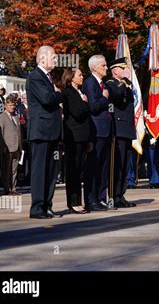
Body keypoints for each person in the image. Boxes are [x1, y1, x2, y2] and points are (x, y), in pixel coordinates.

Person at [26, 45, 63, 219]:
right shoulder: (35, 76)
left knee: (51, 171)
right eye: (53, 57)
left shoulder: (48, 78)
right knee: (40, 170)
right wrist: (58, 94)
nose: (56, 60)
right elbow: (47, 99)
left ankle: (47, 205)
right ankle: (37, 208)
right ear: (42, 58)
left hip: (51, 132)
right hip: (41, 131)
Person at [106, 57, 137, 208]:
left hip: (127, 129)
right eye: (123, 69)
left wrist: (126, 84)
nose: (126, 71)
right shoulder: (111, 84)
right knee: (116, 165)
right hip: (118, 129)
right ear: (115, 70)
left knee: (125, 164)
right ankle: (113, 196)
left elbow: (131, 101)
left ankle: (121, 194)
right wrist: (124, 82)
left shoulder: (125, 85)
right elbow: (116, 95)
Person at [82, 55, 112, 211]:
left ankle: (101, 197)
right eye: (103, 65)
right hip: (96, 131)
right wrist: (105, 98)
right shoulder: (90, 83)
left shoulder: (103, 84)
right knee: (92, 167)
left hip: (105, 130)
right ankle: (91, 199)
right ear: (94, 67)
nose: (106, 68)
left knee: (103, 167)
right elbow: (93, 106)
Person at [62, 68, 90, 214]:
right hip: (73, 136)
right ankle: (73, 202)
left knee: (79, 170)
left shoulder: (79, 92)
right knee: (73, 170)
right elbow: (77, 112)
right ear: (71, 77)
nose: (82, 77)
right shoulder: (68, 92)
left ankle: (79, 201)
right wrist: (85, 103)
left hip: (82, 137)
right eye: (79, 75)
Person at [0, 97, 22, 195]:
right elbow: (0, 133)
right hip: (7, 147)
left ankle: (13, 188)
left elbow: (19, 132)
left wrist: (20, 146)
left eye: (14, 105)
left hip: (17, 147)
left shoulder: (16, 116)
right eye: (10, 105)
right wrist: (2, 147)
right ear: (5, 106)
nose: (12, 107)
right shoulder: (1, 117)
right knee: (6, 170)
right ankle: (7, 189)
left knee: (14, 170)